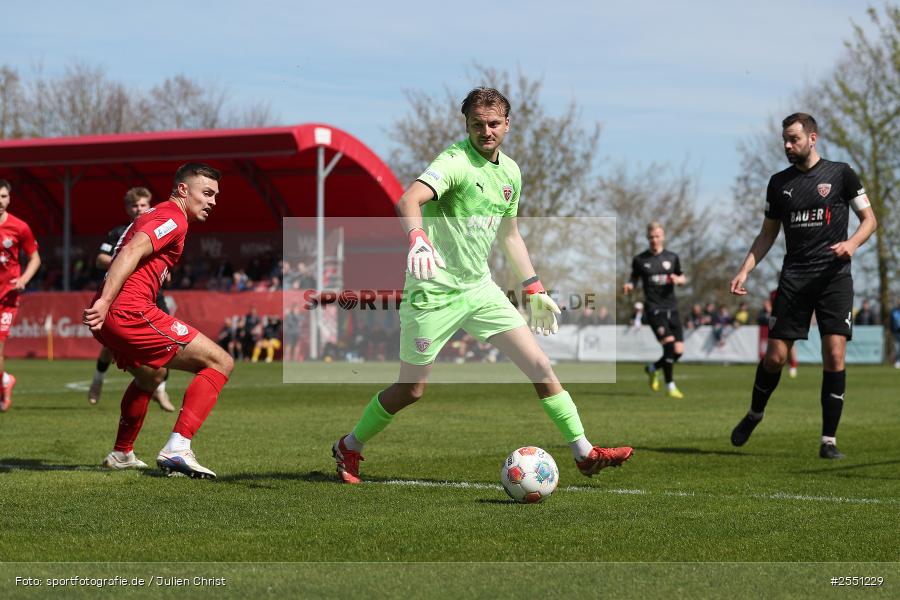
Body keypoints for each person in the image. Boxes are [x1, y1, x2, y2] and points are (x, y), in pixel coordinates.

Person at [331, 87, 632, 484]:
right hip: (433, 292)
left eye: (493, 124)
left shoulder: (511, 173)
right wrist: (417, 238)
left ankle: (584, 453)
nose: (485, 131)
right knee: (411, 390)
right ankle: (349, 445)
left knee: (540, 365)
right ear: (467, 125)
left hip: (479, 289)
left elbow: (510, 235)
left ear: (507, 125)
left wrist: (534, 287)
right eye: (477, 124)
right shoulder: (454, 161)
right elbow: (408, 201)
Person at [729, 113, 877, 459]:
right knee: (775, 357)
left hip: (834, 278)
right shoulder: (779, 183)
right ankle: (755, 413)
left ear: (813, 138)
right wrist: (745, 270)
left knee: (834, 354)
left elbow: (869, 220)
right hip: (794, 278)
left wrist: (852, 244)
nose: (787, 145)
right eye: (785, 139)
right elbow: (767, 234)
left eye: (793, 139)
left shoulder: (841, 174)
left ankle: (829, 441)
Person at [83, 163, 234, 478]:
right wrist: (106, 301)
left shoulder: (160, 214)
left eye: (216, 196)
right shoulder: (173, 217)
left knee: (151, 376)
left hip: (113, 316)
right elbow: (131, 251)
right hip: (129, 311)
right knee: (220, 362)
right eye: (207, 193)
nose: (212, 201)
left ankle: (122, 453)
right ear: (183, 189)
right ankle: (178, 448)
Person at [87, 187, 174, 411]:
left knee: (167, 343)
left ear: (150, 206)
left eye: (143, 205)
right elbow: (100, 259)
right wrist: (126, 261)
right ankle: (97, 380)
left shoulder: (160, 229)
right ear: (127, 208)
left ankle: (161, 391)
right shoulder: (118, 232)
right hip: (122, 293)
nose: (139, 209)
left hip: (154, 296)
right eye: (135, 206)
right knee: (111, 344)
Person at [623, 222, 688, 398]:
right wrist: (629, 285)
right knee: (669, 345)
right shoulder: (640, 260)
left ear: (663, 236)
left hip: (672, 308)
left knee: (678, 351)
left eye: (657, 236)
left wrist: (679, 280)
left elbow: (682, 277)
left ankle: (652, 368)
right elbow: (634, 278)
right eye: (651, 237)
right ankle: (670, 386)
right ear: (647, 238)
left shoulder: (672, 257)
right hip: (654, 309)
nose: (654, 240)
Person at [0, 179, 41, 412]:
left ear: (9, 198)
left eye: (3, 196)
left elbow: (35, 258)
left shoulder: (19, 227)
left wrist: (24, 279)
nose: (0, 201)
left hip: (7, 297)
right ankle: (5, 380)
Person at [890, 299, 900, 369]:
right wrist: (892, 331)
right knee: (897, 348)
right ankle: (898, 361)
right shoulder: (894, 311)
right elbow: (891, 322)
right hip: (896, 332)